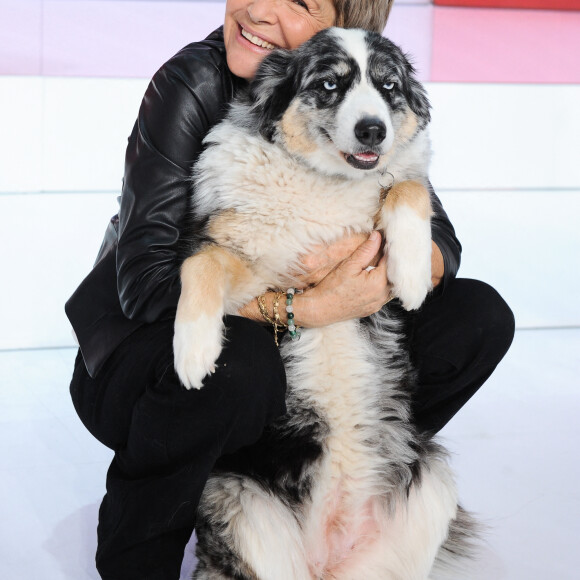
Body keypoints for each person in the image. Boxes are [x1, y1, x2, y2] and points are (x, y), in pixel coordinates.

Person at [66, 1, 515, 578]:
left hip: (299, 370)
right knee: (240, 366)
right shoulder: (192, 82)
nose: (258, 7)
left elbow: (442, 246)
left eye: (300, 0)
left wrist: (395, 237)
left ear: (342, 23)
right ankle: (143, 549)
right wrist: (312, 306)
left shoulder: (365, 97)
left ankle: (328, 473)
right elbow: (148, 287)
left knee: (477, 316)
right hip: (141, 350)